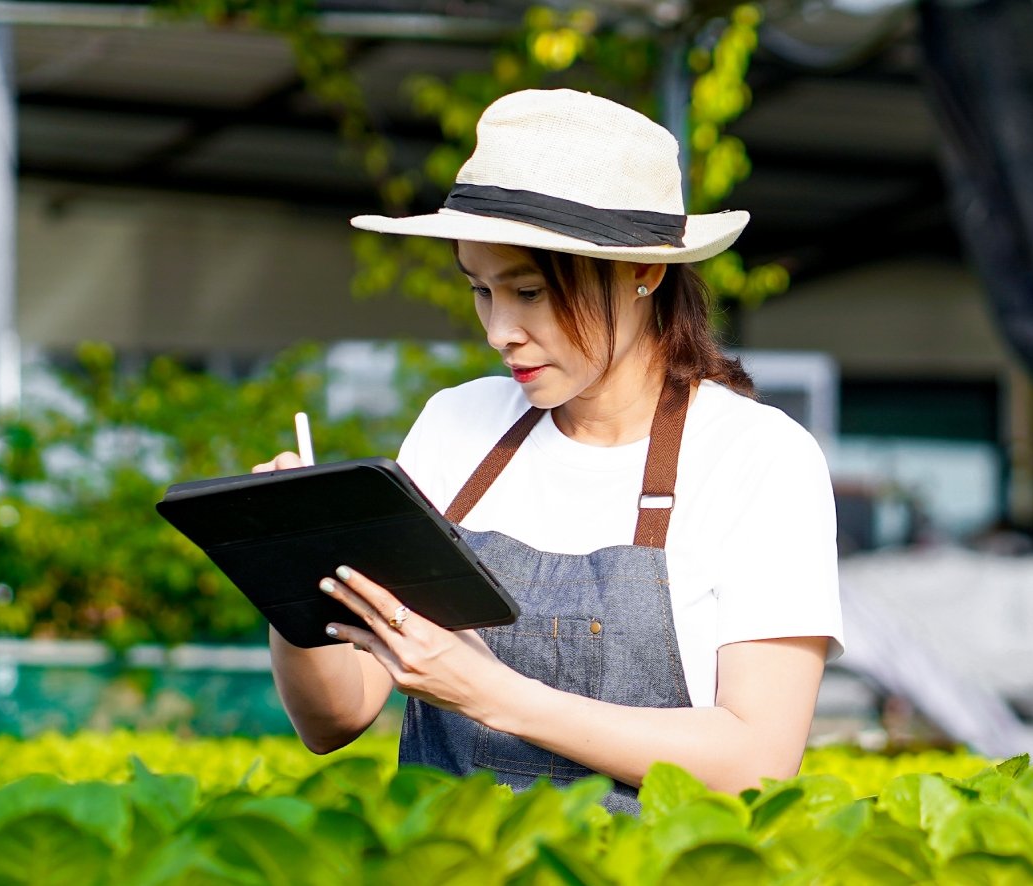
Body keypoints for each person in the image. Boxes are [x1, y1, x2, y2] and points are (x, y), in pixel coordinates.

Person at [250, 89, 843, 813]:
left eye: (528, 290)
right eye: (481, 291)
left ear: (644, 272)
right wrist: (287, 575)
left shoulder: (758, 458)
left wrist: (494, 695)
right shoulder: (456, 425)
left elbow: (757, 761)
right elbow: (334, 718)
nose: (500, 330)